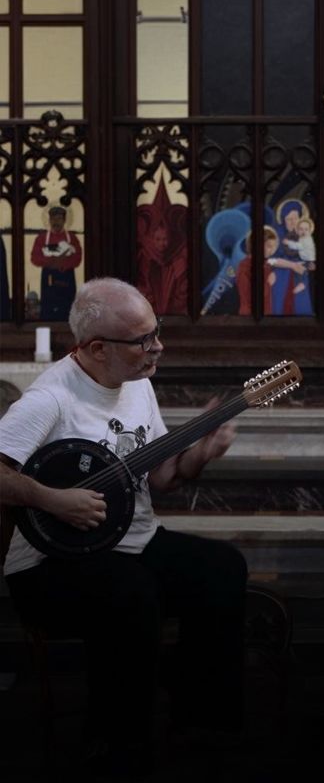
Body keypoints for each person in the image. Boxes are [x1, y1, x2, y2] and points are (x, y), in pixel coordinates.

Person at [0, 278, 247, 778]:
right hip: (49, 563)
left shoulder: (138, 382)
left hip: (129, 543)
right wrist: (54, 500)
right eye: (144, 340)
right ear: (96, 349)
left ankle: (199, 717)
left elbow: (161, 477)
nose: (159, 347)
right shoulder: (50, 400)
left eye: (156, 332)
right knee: (130, 593)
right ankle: (115, 743)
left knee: (222, 568)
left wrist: (199, 453)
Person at [30, 205, 83, 321]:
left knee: (67, 308)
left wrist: (63, 265)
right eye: (53, 219)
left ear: (64, 221)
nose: (56, 222)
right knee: (49, 308)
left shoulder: (72, 239)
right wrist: (51, 262)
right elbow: (34, 258)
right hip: (49, 276)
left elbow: (77, 258)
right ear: (49, 220)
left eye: (59, 219)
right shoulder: (41, 239)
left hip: (66, 276)